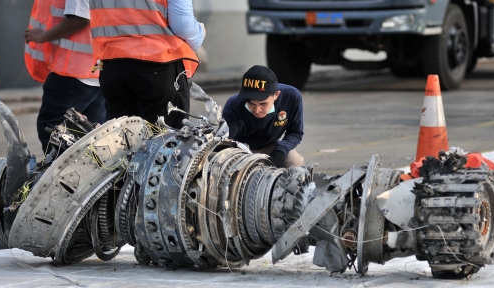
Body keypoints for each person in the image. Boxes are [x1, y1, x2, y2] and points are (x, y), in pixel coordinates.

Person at [89, 0, 206, 129]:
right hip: (156, 63)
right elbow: (183, 27)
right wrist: (200, 33)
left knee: (121, 140)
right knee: (165, 141)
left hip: (112, 64)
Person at [25, 0, 106, 153]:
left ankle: (61, 175)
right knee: (93, 138)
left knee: (53, 131)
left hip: (74, 72)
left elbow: (80, 17)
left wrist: (43, 36)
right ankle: (87, 176)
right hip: (99, 70)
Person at [222, 66, 305, 168]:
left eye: (263, 104)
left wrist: (281, 150)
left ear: (276, 95)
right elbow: (226, 141)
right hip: (240, 148)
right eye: (251, 103)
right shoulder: (234, 105)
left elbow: (296, 133)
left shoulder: (292, 97)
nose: (256, 110)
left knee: (295, 162)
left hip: (271, 146)